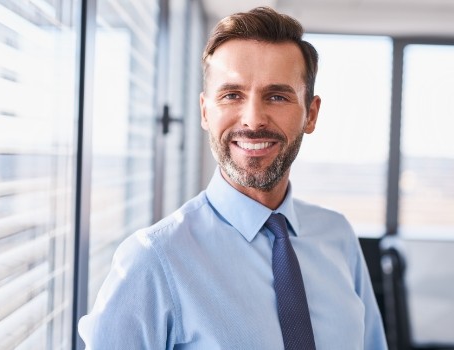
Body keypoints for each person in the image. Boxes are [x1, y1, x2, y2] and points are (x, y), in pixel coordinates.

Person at [79, 6, 387, 349]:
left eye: (277, 96)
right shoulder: (153, 260)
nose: (253, 120)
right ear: (205, 111)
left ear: (310, 115)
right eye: (231, 95)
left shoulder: (338, 237)